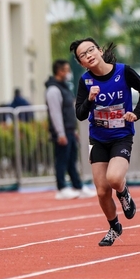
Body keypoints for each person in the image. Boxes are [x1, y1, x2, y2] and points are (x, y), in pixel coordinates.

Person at [71, 38, 140, 247]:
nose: (88, 55)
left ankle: (123, 193)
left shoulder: (123, 71)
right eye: (83, 55)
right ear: (81, 63)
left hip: (121, 136)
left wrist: (136, 113)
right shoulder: (85, 81)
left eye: (90, 50)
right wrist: (89, 99)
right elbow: (80, 114)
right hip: (97, 139)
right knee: (102, 191)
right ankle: (114, 227)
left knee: (114, 179)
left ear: (99, 50)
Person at [46, 59, 95, 200]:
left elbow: (69, 111)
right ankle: (61, 188)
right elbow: (55, 113)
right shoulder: (53, 90)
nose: (69, 73)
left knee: (72, 160)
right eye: (67, 70)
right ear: (60, 71)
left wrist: (73, 130)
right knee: (62, 160)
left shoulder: (64, 88)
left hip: (69, 129)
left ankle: (78, 186)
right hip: (62, 131)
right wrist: (60, 133)